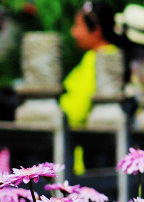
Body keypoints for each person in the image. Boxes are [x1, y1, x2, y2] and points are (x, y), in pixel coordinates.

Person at [59, 1, 119, 129]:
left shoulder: (96, 59)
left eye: (78, 26)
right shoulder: (114, 54)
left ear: (96, 30)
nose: (73, 32)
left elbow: (76, 112)